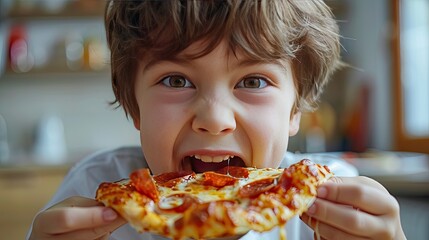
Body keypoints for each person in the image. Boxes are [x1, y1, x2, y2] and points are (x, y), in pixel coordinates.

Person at [28, 0, 406, 239]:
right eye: (176, 80)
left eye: (253, 81)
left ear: (295, 110)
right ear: (133, 106)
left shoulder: (337, 207)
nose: (214, 119)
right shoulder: (93, 189)